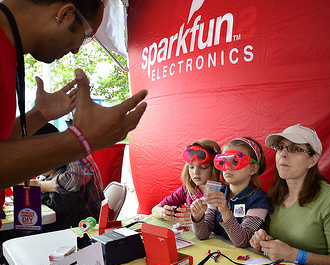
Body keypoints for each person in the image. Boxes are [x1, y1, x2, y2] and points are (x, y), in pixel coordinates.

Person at [0, 0, 148, 191]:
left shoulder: (9, 50)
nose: (77, 50)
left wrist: (39, 115)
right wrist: (81, 140)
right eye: (87, 35)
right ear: (65, 15)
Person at [249, 124, 330, 265]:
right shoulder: (273, 196)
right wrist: (261, 242)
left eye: (294, 149)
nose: (283, 154)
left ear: (312, 161)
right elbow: (276, 249)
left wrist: (295, 255)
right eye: (280, 147)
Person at [190, 137, 274, 248]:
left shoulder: (259, 200)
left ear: (252, 169)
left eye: (235, 161)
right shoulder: (218, 192)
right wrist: (197, 217)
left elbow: (242, 241)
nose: (227, 167)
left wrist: (225, 211)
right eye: (223, 161)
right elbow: (203, 234)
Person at [30, 123, 105, 231]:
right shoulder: (59, 165)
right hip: (75, 224)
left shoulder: (75, 155)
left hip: (87, 227)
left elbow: (73, 182)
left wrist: (38, 186)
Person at [151, 139, 221, 224]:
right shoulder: (188, 189)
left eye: (203, 167)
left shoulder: (223, 192)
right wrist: (164, 212)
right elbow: (155, 210)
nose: (195, 172)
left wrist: (197, 218)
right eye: (191, 167)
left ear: (215, 169)